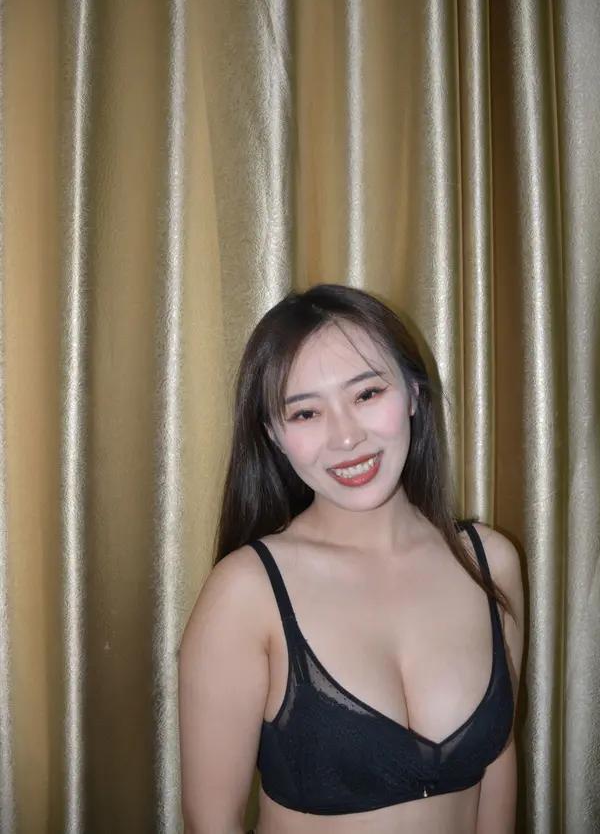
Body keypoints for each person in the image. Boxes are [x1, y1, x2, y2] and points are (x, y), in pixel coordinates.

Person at [178, 283, 524, 834]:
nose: (345, 437)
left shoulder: (489, 563)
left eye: (366, 394)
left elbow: (498, 763)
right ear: (274, 435)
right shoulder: (247, 592)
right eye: (305, 413)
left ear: (413, 394)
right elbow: (212, 823)